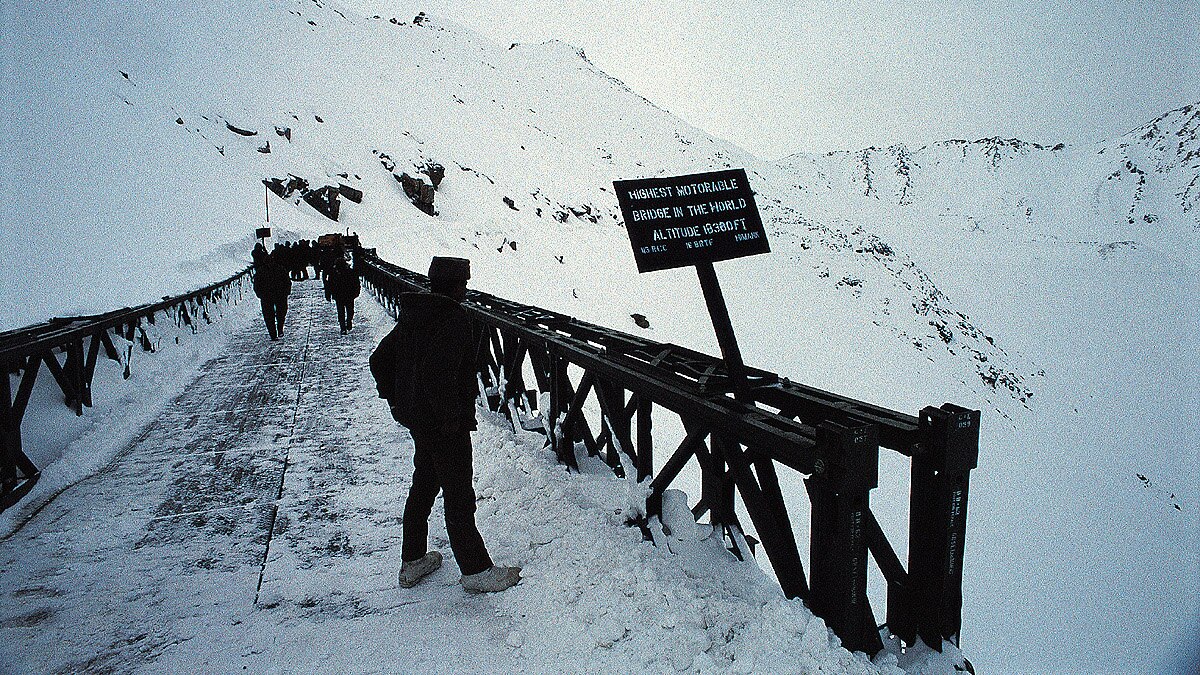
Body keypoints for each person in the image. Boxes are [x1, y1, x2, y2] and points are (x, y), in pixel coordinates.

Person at [369, 257, 520, 593]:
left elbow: (379, 360)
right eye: (463, 284)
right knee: (458, 495)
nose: (466, 290)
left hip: (420, 422)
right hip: (444, 427)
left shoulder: (415, 313)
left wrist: (396, 400)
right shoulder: (453, 318)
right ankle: (476, 570)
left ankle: (412, 560)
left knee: (424, 484)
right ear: (453, 286)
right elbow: (437, 374)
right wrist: (450, 418)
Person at [252, 248, 291, 340]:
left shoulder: (261, 271)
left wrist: (260, 294)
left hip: (268, 296)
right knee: (280, 313)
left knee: (269, 316)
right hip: (278, 295)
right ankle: (279, 329)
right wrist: (286, 292)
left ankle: (273, 334)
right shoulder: (280, 269)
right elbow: (287, 282)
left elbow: (256, 284)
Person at [328, 257, 360, 334]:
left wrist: (329, 294)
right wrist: (356, 292)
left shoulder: (334, 273)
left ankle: (343, 327)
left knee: (341, 312)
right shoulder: (350, 272)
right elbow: (356, 283)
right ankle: (347, 322)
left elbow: (329, 285)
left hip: (340, 295)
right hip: (348, 295)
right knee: (350, 310)